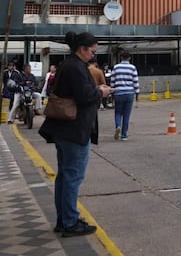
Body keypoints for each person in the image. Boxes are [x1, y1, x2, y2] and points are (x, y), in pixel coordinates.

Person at [38, 31, 113, 237]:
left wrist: (95, 89)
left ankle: (65, 219)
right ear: (82, 49)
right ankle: (70, 222)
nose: (93, 56)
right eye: (92, 51)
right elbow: (84, 96)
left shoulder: (67, 65)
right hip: (74, 130)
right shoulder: (76, 68)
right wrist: (101, 92)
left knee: (65, 176)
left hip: (64, 130)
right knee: (72, 177)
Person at [110, 51, 139, 141]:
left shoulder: (116, 67)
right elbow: (136, 82)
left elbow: (112, 81)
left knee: (118, 112)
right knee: (126, 114)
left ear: (121, 57)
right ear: (129, 58)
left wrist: (111, 93)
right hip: (129, 93)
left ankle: (118, 126)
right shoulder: (132, 68)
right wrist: (137, 94)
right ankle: (124, 135)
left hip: (118, 92)